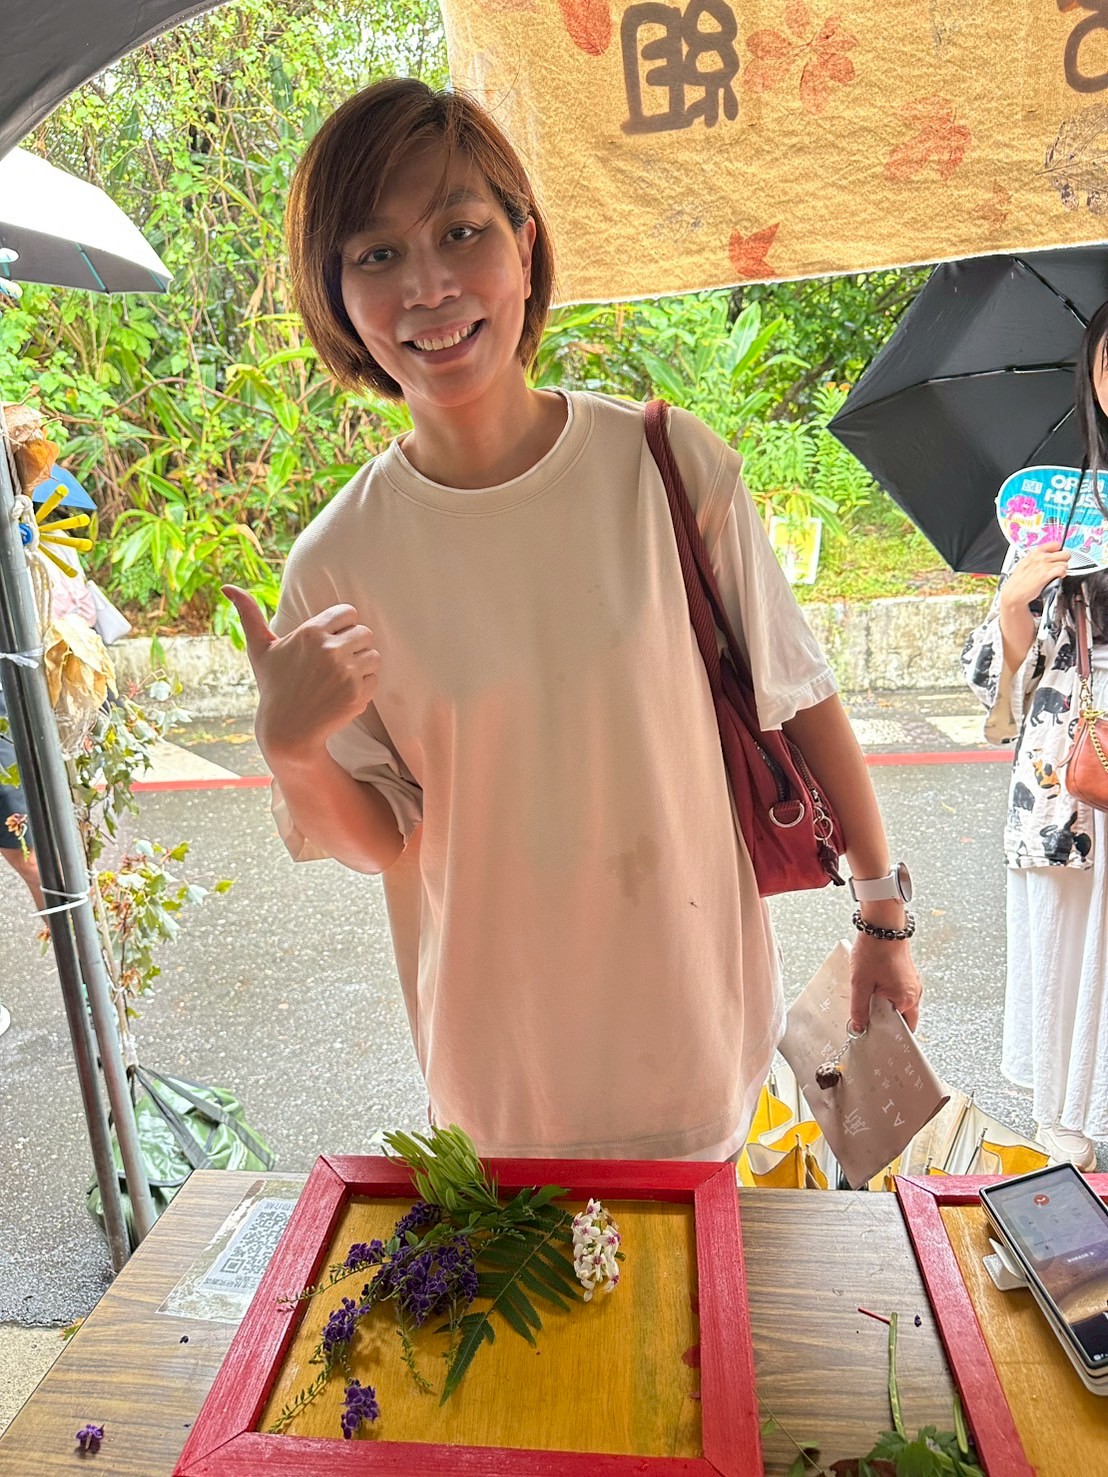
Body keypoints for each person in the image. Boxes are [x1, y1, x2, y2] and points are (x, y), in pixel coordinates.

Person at [225, 79, 921, 1161]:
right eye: (376, 254)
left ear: (525, 243)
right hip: (501, 1078)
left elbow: (799, 692)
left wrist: (881, 913)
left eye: (461, 231)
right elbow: (380, 837)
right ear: (337, 296)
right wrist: (292, 748)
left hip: (694, 1041)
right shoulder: (337, 563)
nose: (428, 287)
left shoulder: (663, 465)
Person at [962, 302, 1108, 1171]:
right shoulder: (1060, 504)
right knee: (1065, 951)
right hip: (1069, 769)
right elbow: (1001, 671)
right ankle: (1067, 1136)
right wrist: (1014, 604)